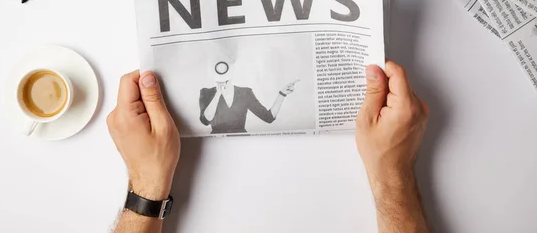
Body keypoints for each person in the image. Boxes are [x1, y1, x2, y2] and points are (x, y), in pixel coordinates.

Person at [107, 61, 430, 233]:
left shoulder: (246, 92)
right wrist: (392, 174)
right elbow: (204, 117)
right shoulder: (208, 92)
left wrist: (283, 94)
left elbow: (268, 115)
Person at [199, 59, 298, 134]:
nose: (223, 81)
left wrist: (282, 94)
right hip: (217, 143)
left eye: (225, 79)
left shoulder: (245, 93)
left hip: (242, 142)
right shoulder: (206, 93)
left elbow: (268, 117)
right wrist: (217, 94)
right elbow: (205, 121)